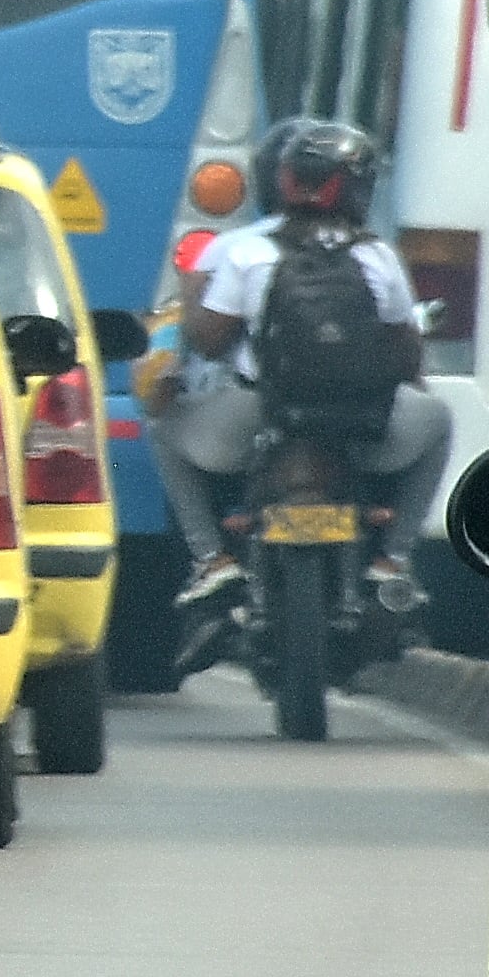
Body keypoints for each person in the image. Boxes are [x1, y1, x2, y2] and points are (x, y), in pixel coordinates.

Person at [146, 119, 453, 610]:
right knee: (438, 421)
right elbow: (405, 355)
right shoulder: (378, 256)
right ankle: (393, 559)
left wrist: (202, 308)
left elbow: (210, 344)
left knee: (163, 431)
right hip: (363, 424)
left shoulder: (248, 252)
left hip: (260, 417)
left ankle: (212, 560)